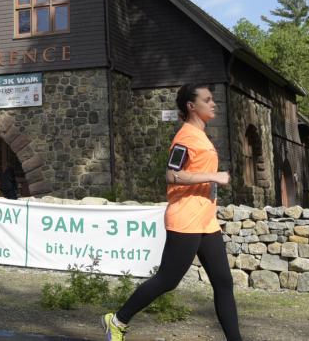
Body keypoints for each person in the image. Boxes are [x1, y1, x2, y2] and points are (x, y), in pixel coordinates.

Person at [101, 84, 242, 341]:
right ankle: (117, 320)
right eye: (207, 100)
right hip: (185, 218)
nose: (213, 104)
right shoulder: (185, 136)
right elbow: (171, 174)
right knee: (168, 280)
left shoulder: (202, 136)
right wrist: (214, 176)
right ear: (191, 106)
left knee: (223, 282)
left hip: (206, 220)